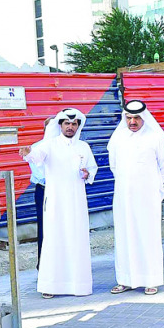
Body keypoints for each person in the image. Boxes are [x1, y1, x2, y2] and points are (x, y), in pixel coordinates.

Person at [20, 108, 97, 298]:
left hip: (77, 201)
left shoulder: (83, 147)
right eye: (66, 124)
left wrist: (88, 174)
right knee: (54, 239)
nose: (70, 127)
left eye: (74, 124)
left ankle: (78, 285)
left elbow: (92, 167)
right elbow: (36, 156)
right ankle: (50, 285)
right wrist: (28, 152)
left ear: (78, 126)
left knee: (76, 238)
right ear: (60, 125)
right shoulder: (50, 144)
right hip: (55, 201)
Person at [108, 100, 164, 295]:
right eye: (128, 118)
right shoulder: (118, 138)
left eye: (136, 117)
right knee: (124, 236)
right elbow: (114, 167)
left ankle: (150, 280)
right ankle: (125, 279)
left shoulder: (156, 137)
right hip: (123, 197)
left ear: (144, 118)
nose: (132, 121)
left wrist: (153, 187)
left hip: (148, 196)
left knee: (147, 235)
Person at [31, 118, 50, 268]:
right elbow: (41, 175)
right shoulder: (37, 148)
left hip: (65, 191)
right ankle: (43, 266)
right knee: (44, 228)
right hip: (44, 191)